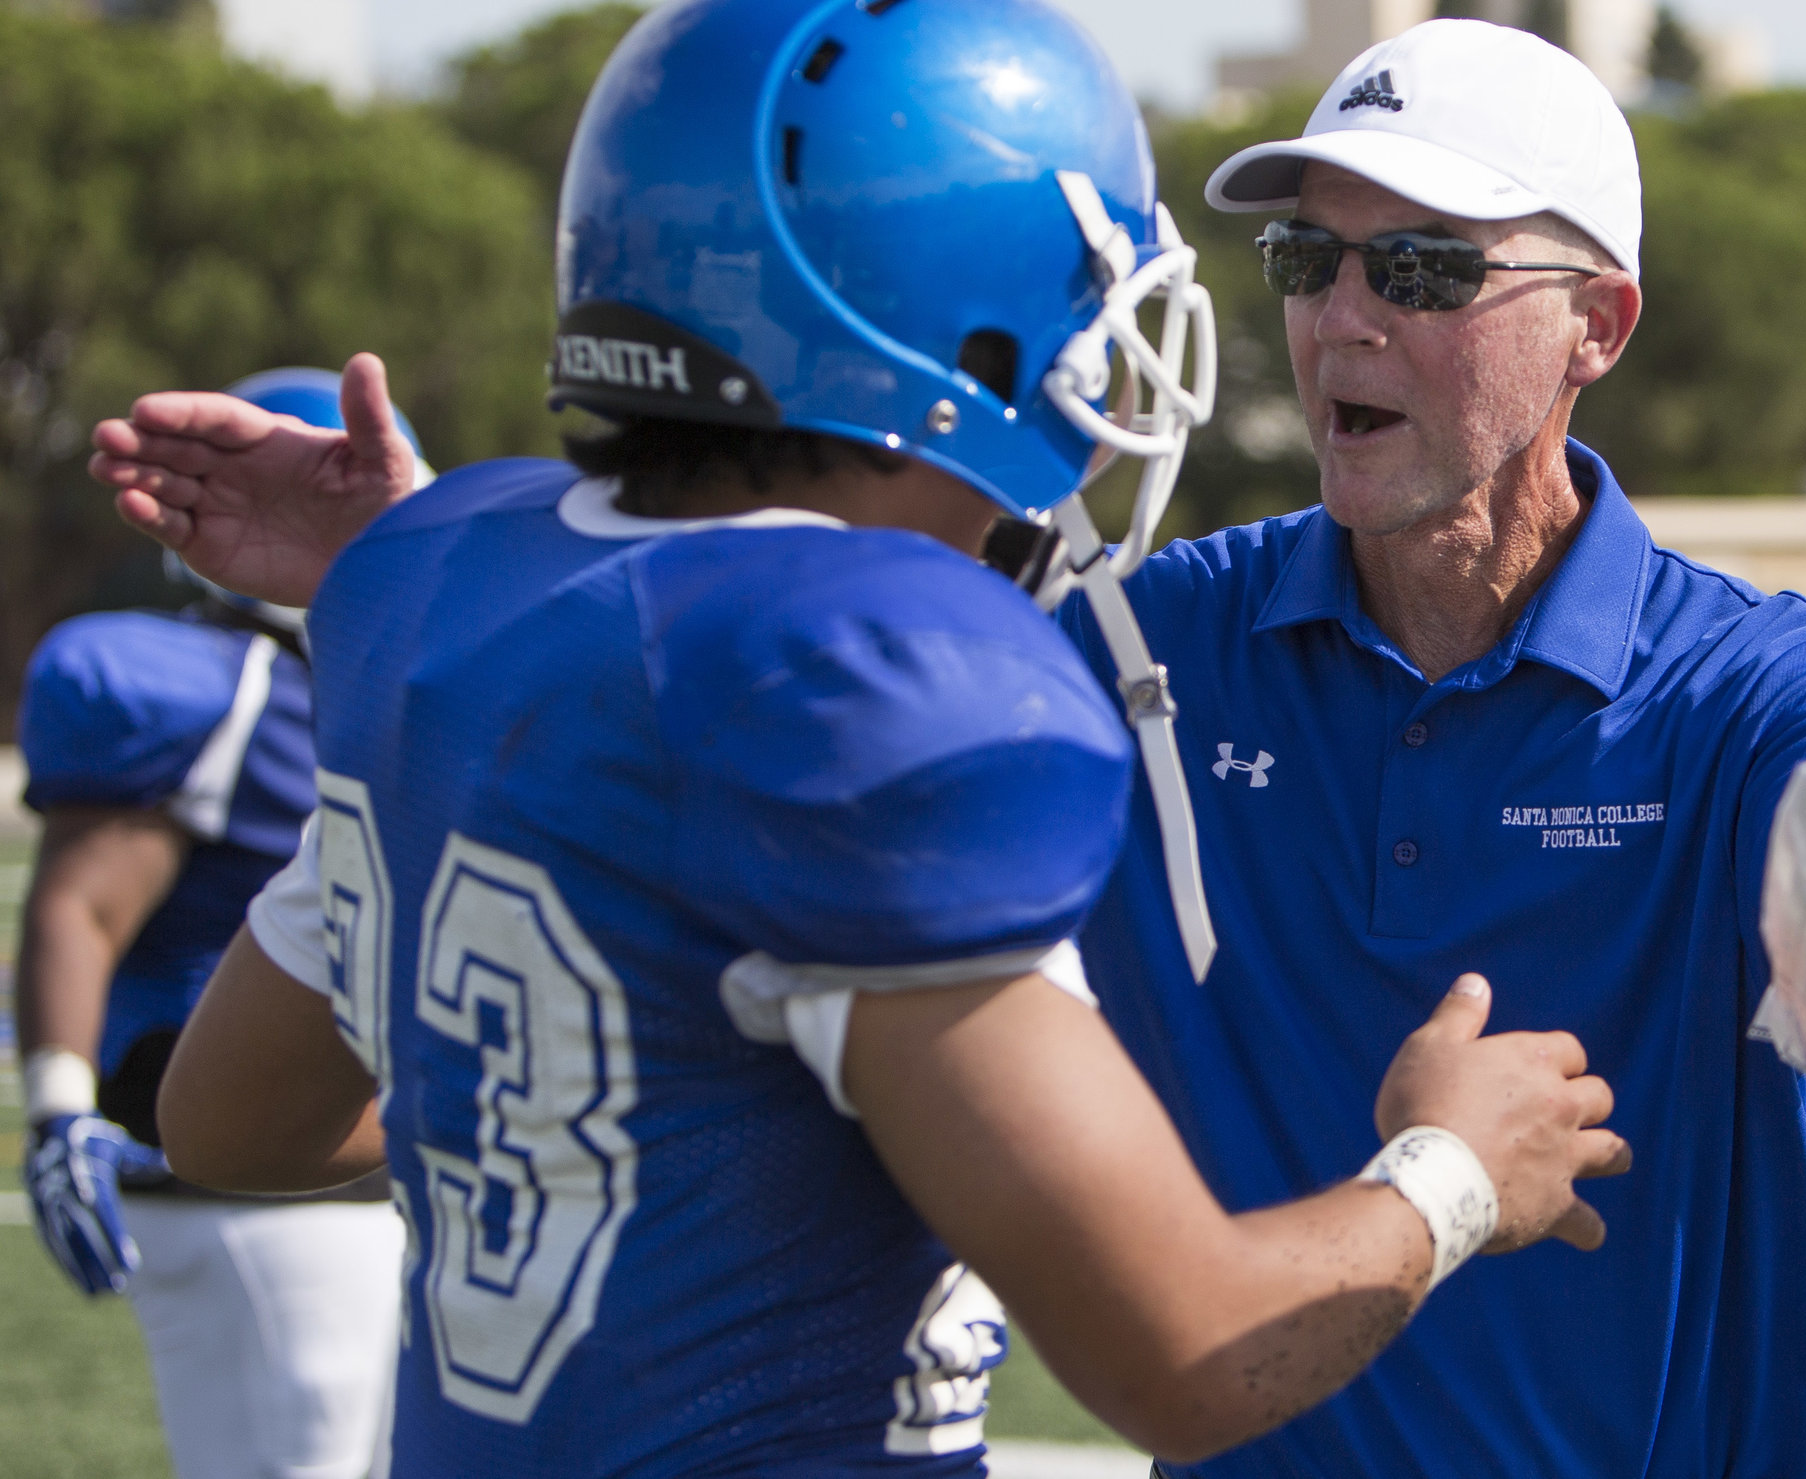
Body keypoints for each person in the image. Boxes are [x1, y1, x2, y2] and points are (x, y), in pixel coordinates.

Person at [86, 3, 1625, 1475]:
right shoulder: (866, 686)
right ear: (967, 321)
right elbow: (1192, 1350)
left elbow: (227, 1117)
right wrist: (1454, 1170)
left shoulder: (445, 579)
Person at [1046, 21, 1806, 1477]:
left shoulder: (1749, 677)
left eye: (1425, 267)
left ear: (1600, 325)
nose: (1343, 317)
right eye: (1311, 261)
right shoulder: (1144, 649)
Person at [15, 368, 422, 1479]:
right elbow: (81, 900)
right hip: (246, 1175)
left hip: (372, 1166)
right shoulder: (212, 684)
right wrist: (57, 1111)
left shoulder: (384, 684)